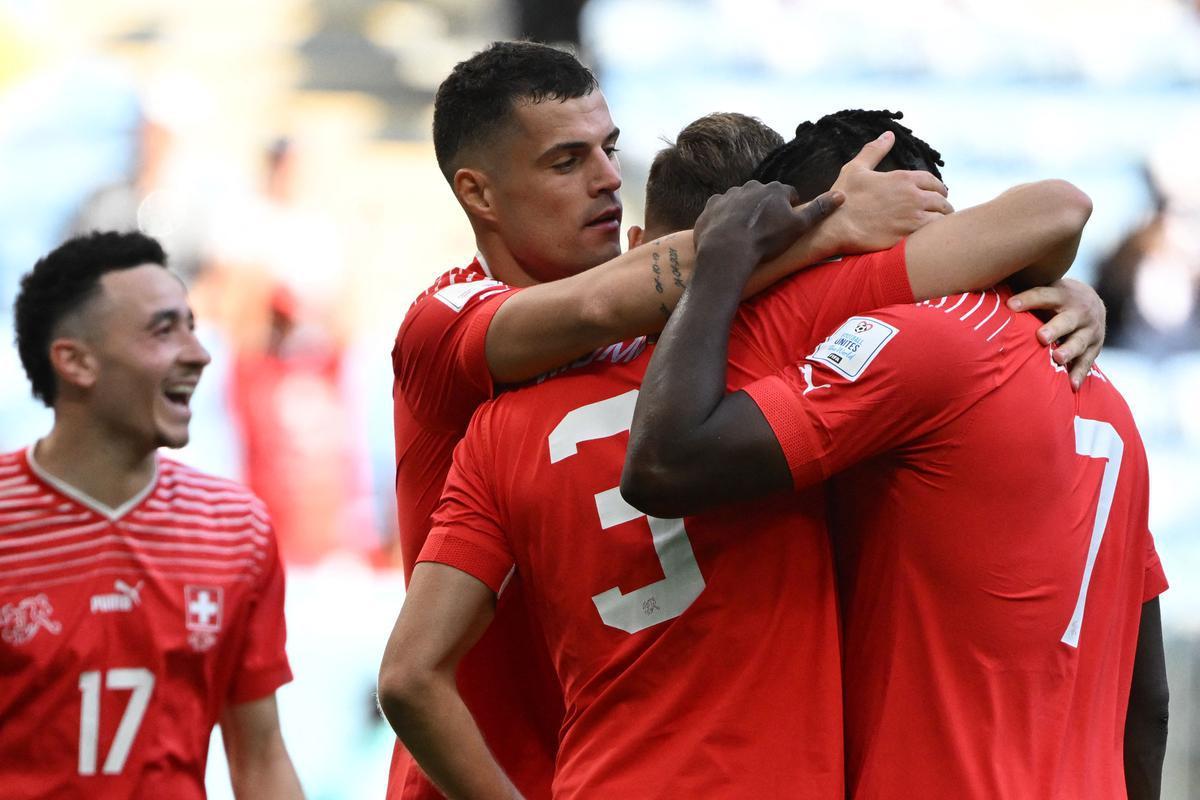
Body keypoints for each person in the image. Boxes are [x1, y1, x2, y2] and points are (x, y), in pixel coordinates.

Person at [378, 110, 1108, 797]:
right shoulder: (794, 336)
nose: (602, 174)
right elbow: (1048, 211)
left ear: (641, 246)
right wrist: (1039, 284)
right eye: (569, 159)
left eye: (607, 149)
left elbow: (409, 676)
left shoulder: (500, 425)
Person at [623, 110, 1169, 799]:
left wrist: (725, 268)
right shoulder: (1107, 397)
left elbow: (666, 463)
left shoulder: (914, 347)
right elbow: (1146, 704)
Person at [2, 232, 304, 799]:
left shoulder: (234, 529)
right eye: (165, 330)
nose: (199, 352)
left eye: (192, 326)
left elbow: (261, 756)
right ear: (75, 361)